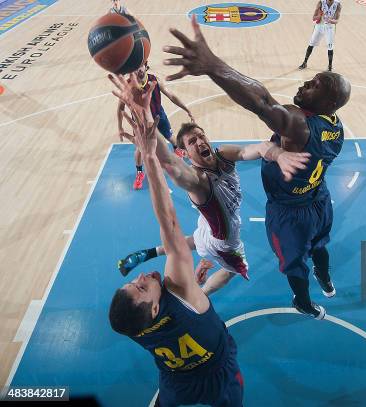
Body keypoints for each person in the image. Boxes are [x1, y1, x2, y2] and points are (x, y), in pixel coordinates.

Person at [163, 15, 351, 319]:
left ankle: (302, 302)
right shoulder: (335, 124)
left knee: (294, 264)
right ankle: (326, 279)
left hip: (289, 213)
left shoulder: (299, 126)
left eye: (315, 84)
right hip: (319, 199)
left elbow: (262, 102)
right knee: (320, 245)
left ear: (327, 101)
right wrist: (274, 151)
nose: (306, 82)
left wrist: (213, 66)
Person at [108, 74, 243, 407]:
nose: (139, 278)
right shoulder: (177, 286)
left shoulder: (134, 326)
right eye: (140, 288)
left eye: (131, 284)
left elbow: (135, 309)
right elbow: (167, 219)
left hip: (174, 377)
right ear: (155, 308)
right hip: (216, 370)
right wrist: (150, 156)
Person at [117, 119, 310, 295]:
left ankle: (147, 254)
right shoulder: (198, 180)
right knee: (234, 269)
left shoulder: (224, 155)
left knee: (196, 239)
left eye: (202, 136)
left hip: (209, 225)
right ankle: (201, 295)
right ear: (183, 153)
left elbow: (255, 149)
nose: (200, 142)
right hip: (224, 240)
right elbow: (170, 163)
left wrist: (278, 154)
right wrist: (148, 126)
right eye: (192, 141)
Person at [117, 61, 195, 190]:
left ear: (145, 66)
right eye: (135, 68)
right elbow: (120, 108)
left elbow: (171, 96)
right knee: (140, 149)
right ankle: (139, 173)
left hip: (159, 116)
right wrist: (120, 127)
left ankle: (177, 149)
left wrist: (186, 109)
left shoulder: (154, 80)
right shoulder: (128, 86)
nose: (138, 70)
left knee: (170, 137)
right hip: (141, 123)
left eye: (140, 66)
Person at [298, 0, 342, 72]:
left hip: (330, 27)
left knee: (330, 47)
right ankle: (305, 62)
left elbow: (337, 21)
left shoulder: (338, 4)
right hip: (319, 26)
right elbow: (314, 18)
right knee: (311, 44)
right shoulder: (321, 2)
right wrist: (319, 16)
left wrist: (330, 20)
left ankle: (330, 66)